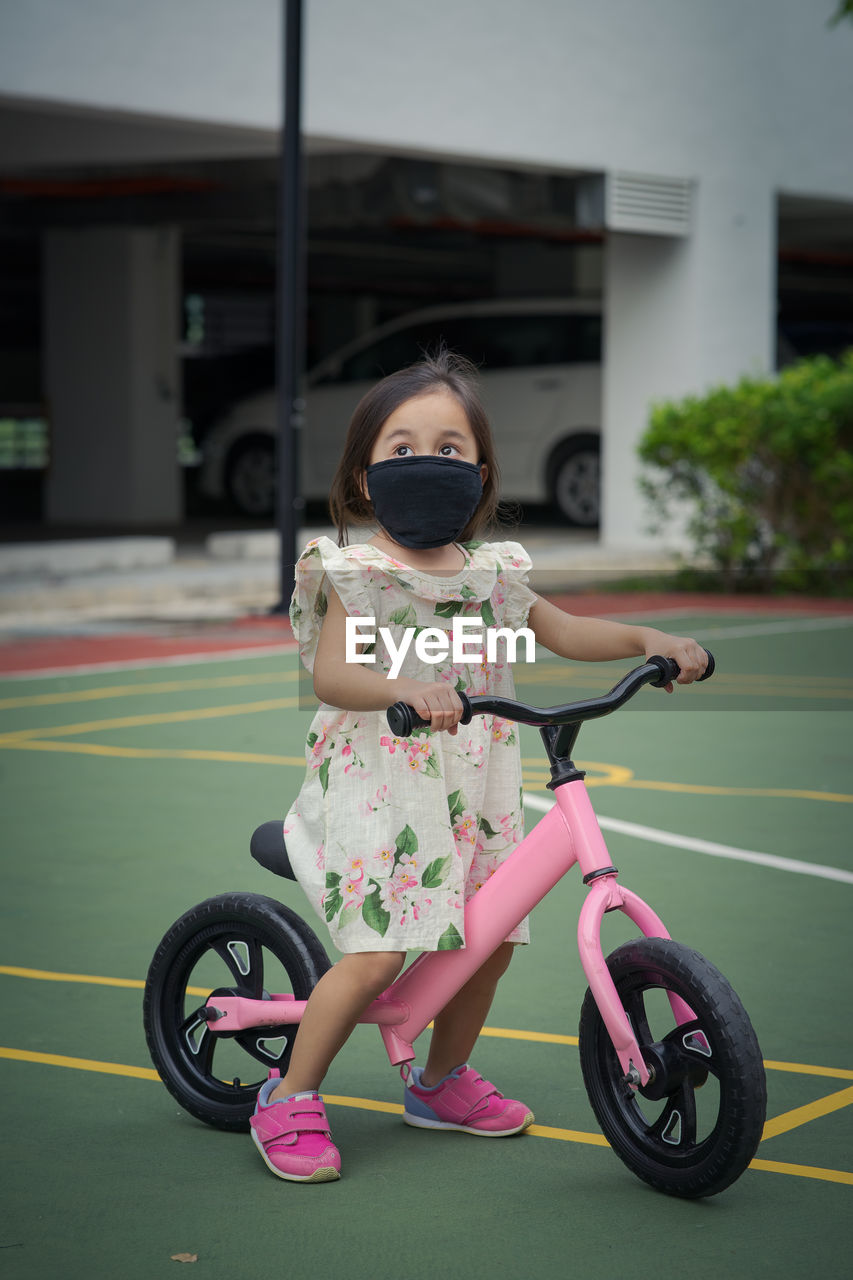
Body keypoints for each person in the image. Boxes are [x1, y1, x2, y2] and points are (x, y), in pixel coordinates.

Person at [250, 350, 708, 1183]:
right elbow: (331, 675)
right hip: (376, 783)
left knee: (487, 941)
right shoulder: (356, 574)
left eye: (450, 448)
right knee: (380, 956)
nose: (427, 462)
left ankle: (437, 1083)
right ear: (361, 481)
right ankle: (287, 1096)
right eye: (401, 448)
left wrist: (650, 641)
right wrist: (405, 687)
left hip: (469, 789)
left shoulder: (493, 578)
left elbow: (566, 633)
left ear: (482, 473)